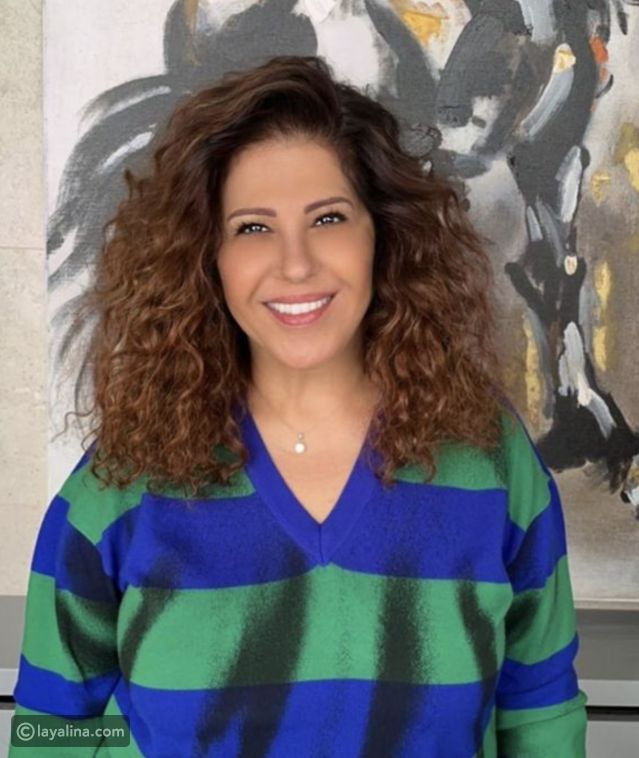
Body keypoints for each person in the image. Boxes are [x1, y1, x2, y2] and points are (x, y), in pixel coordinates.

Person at [10, 55, 588, 757]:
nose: (295, 264)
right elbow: (50, 729)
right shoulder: (121, 483)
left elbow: (539, 712)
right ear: (208, 255)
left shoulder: (491, 459)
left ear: (383, 233)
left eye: (328, 218)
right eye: (253, 227)